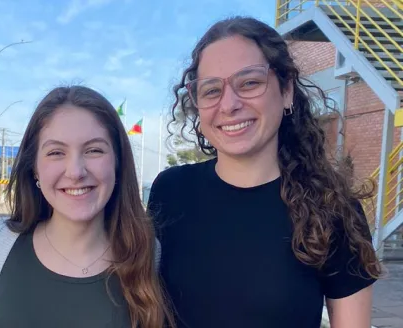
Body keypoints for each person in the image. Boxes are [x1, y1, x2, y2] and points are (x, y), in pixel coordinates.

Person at [148, 16, 381, 328]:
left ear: (286, 91)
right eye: (212, 90)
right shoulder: (170, 191)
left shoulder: (332, 208)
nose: (229, 104)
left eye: (250, 83)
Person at [0, 86, 174, 328]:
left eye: (94, 150)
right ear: (34, 168)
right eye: (56, 152)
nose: (75, 172)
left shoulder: (146, 254)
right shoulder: (1, 245)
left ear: (118, 163)